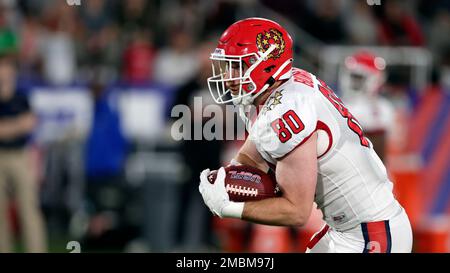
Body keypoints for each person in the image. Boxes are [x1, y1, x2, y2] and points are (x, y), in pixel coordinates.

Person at [198, 18, 412, 253]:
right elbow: (251, 160)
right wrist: (226, 179)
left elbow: (296, 211)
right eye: (227, 65)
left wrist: (228, 206)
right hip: (348, 229)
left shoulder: (288, 109)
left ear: (267, 65)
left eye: (238, 66)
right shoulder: (276, 90)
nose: (228, 76)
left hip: (371, 233)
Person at [0, 53, 47, 252]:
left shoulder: (22, 99)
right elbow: (22, 124)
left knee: (29, 209)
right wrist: (17, 125)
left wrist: (9, 127)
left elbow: (30, 123)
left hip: (20, 155)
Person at [338, 51, 395, 162]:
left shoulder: (381, 108)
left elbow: (377, 149)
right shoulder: (334, 100)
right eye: (353, 77)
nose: (354, 82)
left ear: (375, 80)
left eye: (359, 78)